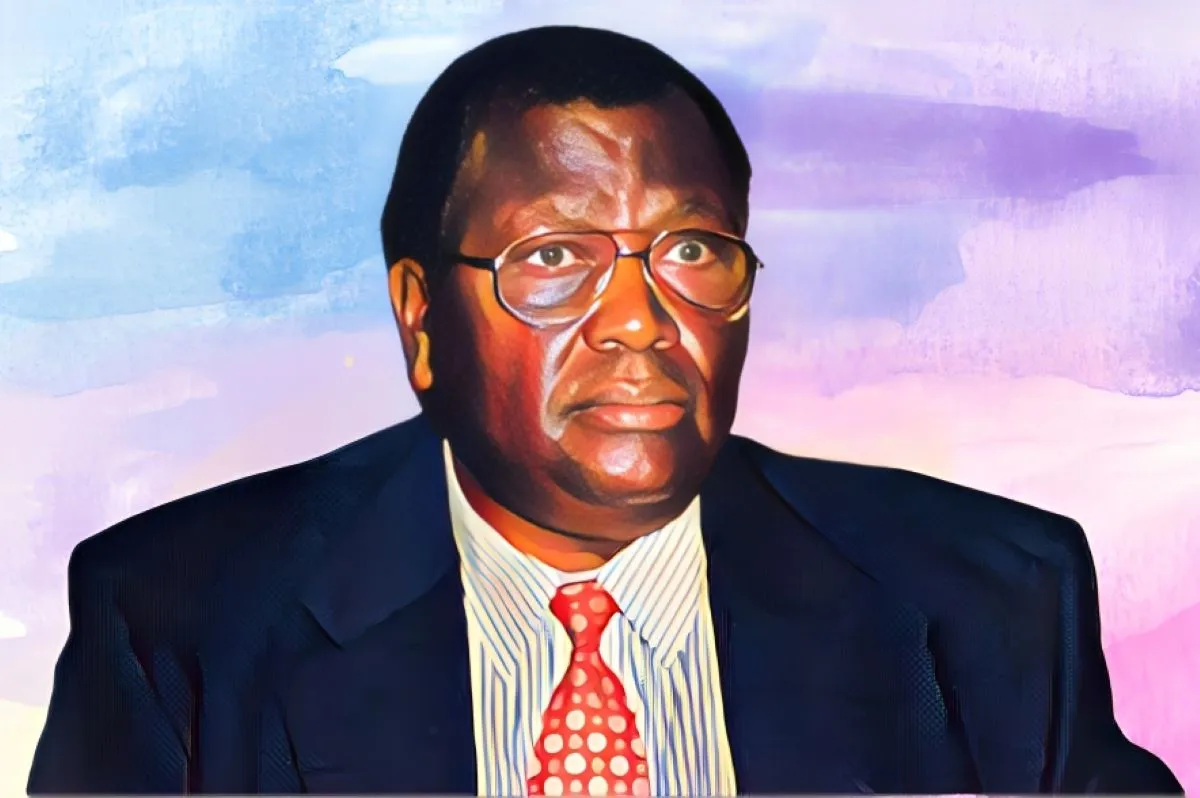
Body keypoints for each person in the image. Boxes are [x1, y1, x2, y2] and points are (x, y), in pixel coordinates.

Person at [28, 25, 1180, 796]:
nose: (639, 319)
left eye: (692, 250)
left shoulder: (987, 598)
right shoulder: (179, 617)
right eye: (554, 257)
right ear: (420, 319)